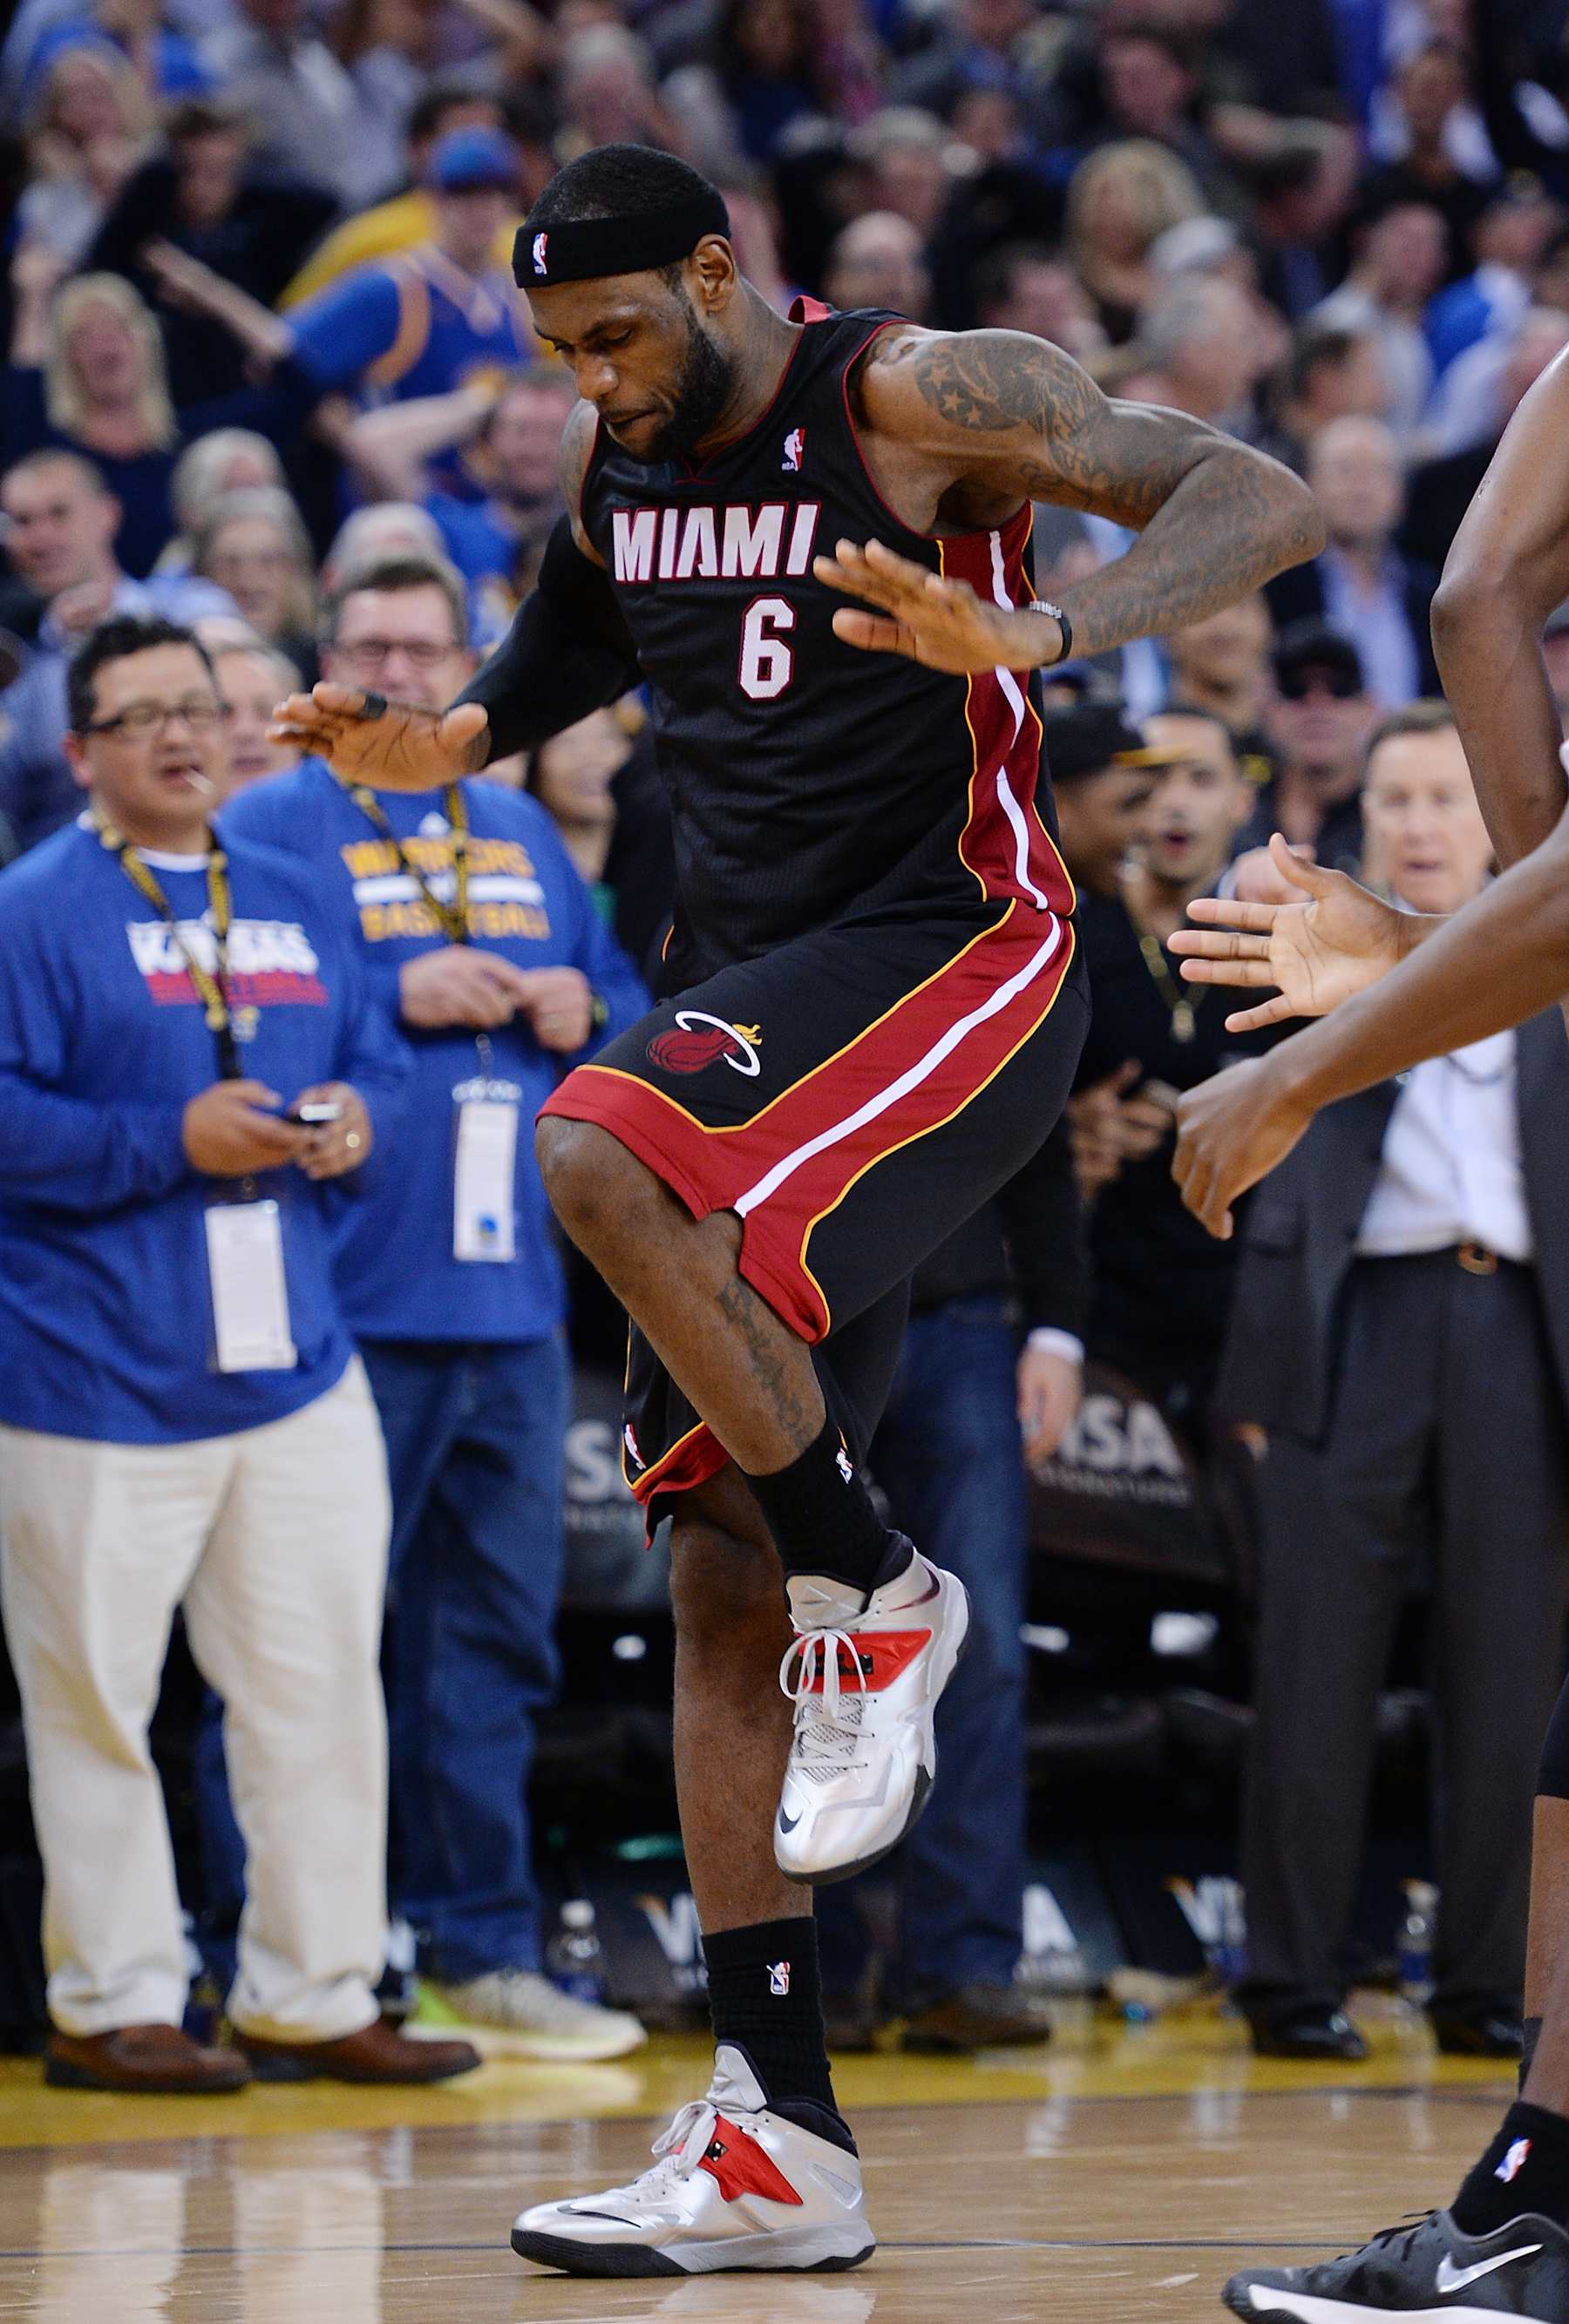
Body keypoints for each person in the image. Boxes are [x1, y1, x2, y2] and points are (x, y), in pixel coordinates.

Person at [274, 141, 1319, 2280]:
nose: (591, 379)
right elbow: (583, 622)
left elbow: (1257, 496)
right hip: (759, 982)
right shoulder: (625, 447)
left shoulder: (913, 394)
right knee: (718, 1570)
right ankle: (780, 2136)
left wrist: (1039, 623)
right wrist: (450, 737)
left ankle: (887, 1584)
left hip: (957, 947)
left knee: (596, 1148)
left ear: (712, 270)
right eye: (556, 352)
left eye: (614, 335)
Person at [1169, 343, 1569, 2321]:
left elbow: (1478, 587)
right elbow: (1477, 594)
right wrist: (1430, 954)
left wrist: (1307, 1060)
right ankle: (1532, 2198)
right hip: (1368, 1342)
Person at [0, 611, 478, 2095]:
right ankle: (116, 1997)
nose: (177, 735)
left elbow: (377, 1052)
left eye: (197, 709)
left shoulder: (297, 889)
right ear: (81, 751)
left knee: (321, 1683)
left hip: (296, 1363)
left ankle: (314, 1990)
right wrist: (166, 1140)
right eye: (138, 716)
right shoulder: (29, 907)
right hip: (89, 1374)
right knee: (98, 1705)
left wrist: (359, 1117)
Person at [210, 553, 651, 2061]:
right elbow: (226, 1024)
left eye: (425, 647)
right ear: (324, 661)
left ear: (471, 668)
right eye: (370, 644)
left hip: (512, 1311)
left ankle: (480, 1951)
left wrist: (592, 1012)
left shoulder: (517, 828)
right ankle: (264, 1958)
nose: (397, 671)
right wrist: (389, 993)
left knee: (492, 1647)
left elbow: (625, 1006)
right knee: (300, 1648)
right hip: (340, 1300)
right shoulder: (268, 825)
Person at [1221, 704, 1569, 2069]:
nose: (1422, 824)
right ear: (1361, 819)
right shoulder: (1324, 945)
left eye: (1446, 797)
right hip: (1353, 1317)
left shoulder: (1547, 953)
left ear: (1497, 816)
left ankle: (1492, 1978)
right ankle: (1289, 1979)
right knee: (1313, 1658)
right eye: (1398, 799)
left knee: (1510, 1667)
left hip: (1520, 1326)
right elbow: (1267, 1151)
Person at [1072, 708, 1261, 1424]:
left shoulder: (1281, 942)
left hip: (1249, 1309)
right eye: (1152, 781)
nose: (1175, 801)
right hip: (1099, 1303)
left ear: (1242, 799)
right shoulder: (1068, 936)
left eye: (1200, 778)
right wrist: (1069, 1132)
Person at [0, 449, 234, 853]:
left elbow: (242, 702)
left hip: (206, 849)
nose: (40, 537)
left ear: (107, 514)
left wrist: (112, 629)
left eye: (59, 514)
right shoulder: (17, 658)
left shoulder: (192, 607)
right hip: (59, 869)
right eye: (22, 522)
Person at [284, 130, 534, 467]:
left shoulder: (515, 293)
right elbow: (285, 360)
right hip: (410, 491)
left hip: (490, 492)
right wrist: (359, 450)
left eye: (494, 192)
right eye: (463, 193)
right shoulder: (392, 288)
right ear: (432, 200)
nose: (480, 209)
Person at [1266, 417, 1438, 706]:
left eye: (1375, 473)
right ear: (1309, 485)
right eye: (1344, 471)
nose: (1360, 489)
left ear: (1401, 494)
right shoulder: (1277, 584)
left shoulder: (1429, 592)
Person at [1237, 621, 1377, 873]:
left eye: (1339, 687)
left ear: (1368, 708)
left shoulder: (1387, 815)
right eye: (1295, 688)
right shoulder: (1240, 808)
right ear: (1268, 709)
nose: (1317, 702)